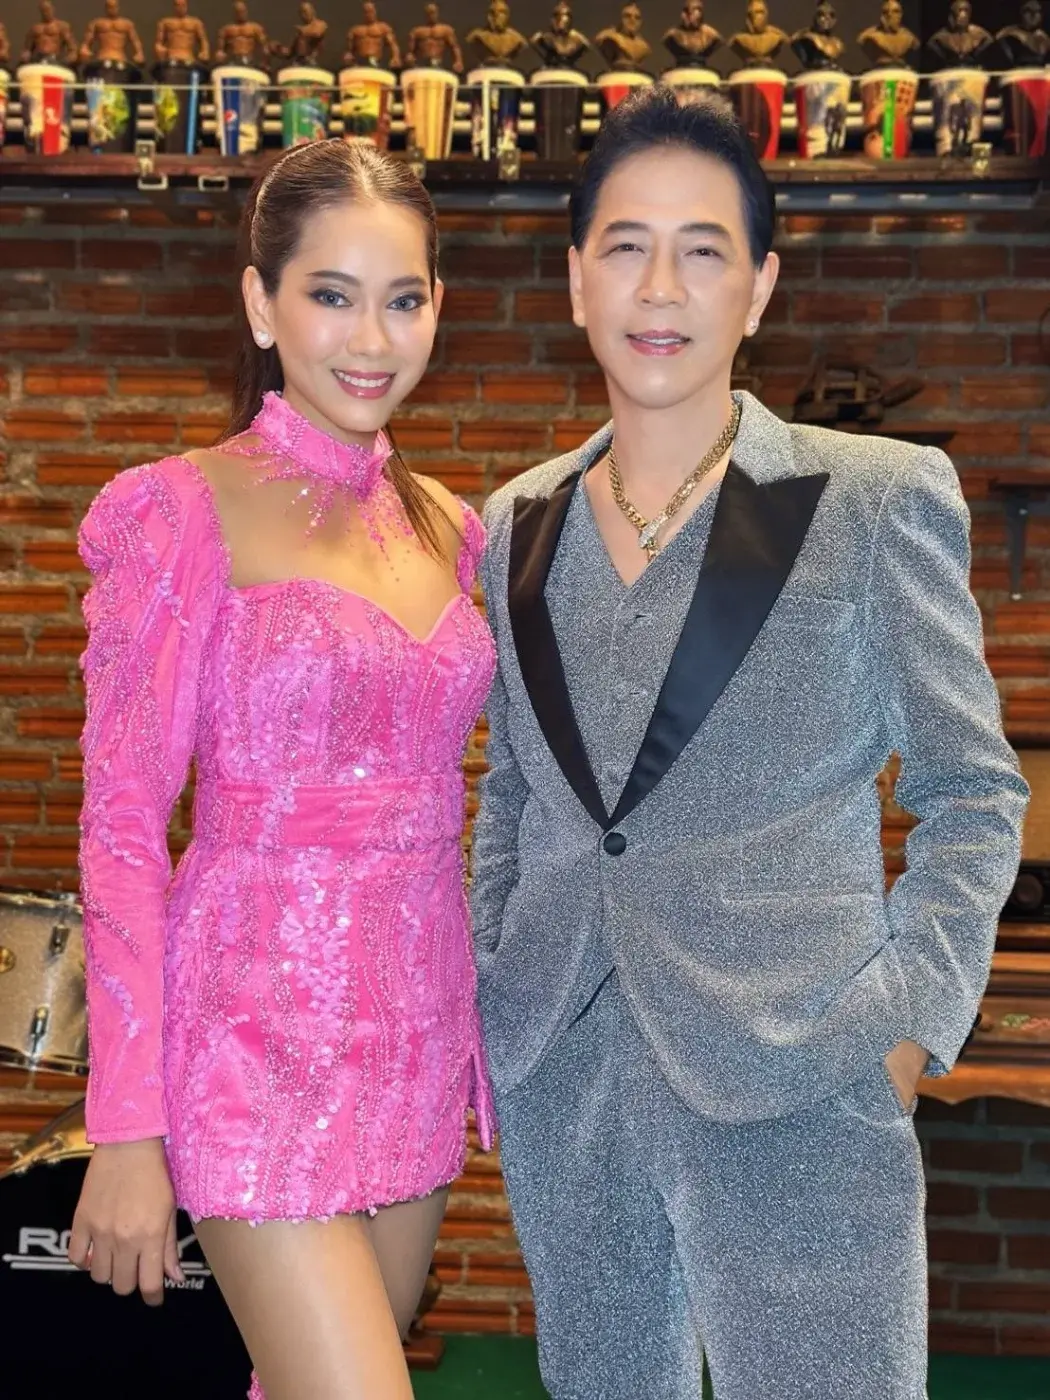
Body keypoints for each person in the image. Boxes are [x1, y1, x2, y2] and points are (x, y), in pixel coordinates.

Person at [471, 86, 1028, 1400]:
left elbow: (971, 788)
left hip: (804, 1067)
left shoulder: (874, 499)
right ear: (576, 278)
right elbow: (513, 791)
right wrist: (501, 976)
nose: (660, 286)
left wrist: (905, 1025)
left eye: (703, 249)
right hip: (566, 1072)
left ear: (759, 287)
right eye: (625, 246)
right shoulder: (513, 523)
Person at [68, 139, 495, 1400]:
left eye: (403, 298)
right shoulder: (177, 510)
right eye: (330, 294)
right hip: (250, 1039)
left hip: (415, 1034)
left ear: (437, 307)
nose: (372, 337)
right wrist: (126, 1126)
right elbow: (122, 828)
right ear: (261, 304)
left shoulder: (451, 526)